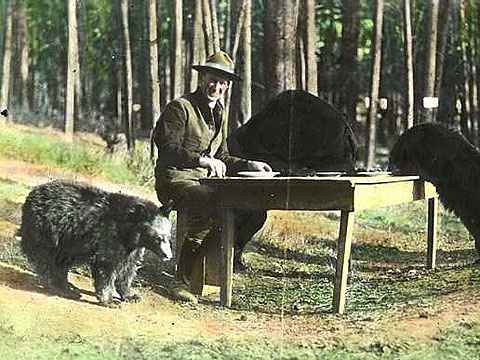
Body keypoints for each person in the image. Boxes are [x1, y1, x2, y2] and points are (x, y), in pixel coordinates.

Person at [152, 51, 272, 303]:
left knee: (255, 210)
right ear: (202, 77)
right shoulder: (180, 107)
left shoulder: (218, 112)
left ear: (227, 86)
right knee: (209, 202)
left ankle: (223, 261)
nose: (215, 86)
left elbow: (223, 156)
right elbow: (168, 148)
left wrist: (250, 163)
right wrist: (201, 160)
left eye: (222, 82)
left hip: (205, 182)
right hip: (175, 180)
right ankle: (180, 281)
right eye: (211, 79)